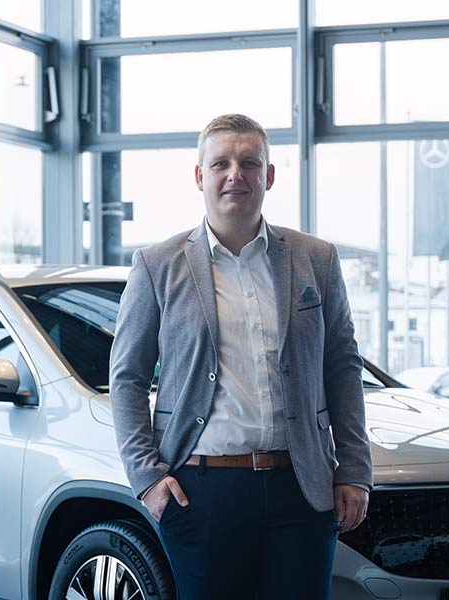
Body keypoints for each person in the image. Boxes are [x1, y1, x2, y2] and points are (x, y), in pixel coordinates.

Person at [108, 113, 373, 599]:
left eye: (250, 163)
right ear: (200, 176)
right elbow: (126, 379)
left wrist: (354, 468)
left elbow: (342, 366)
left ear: (268, 175)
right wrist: (148, 478)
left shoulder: (315, 258)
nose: (236, 174)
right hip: (202, 491)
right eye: (222, 163)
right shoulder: (156, 265)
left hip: (302, 488)